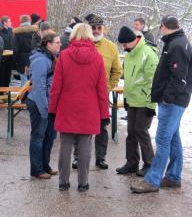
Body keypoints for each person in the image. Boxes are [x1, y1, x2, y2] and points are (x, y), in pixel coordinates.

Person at [131, 15, 192, 193]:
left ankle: (153, 179)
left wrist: (167, 98)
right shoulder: (177, 42)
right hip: (175, 100)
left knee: (162, 139)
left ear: (164, 27)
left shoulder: (177, 45)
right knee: (173, 138)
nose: (160, 29)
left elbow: (178, 77)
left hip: (172, 101)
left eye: (161, 26)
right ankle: (173, 177)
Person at [48, 23, 110, 192]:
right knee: (85, 147)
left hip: (67, 106)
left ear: (73, 35)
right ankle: (83, 183)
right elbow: (102, 90)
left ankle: (63, 182)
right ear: (90, 36)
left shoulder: (64, 56)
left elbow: (56, 87)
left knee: (65, 146)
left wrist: (52, 109)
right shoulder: (97, 58)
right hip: (89, 109)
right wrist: (105, 114)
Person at [72, 14, 122, 170]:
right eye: (93, 28)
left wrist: (108, 87)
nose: (96, 30)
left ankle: (101, 158)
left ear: (103, 29)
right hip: (81, 93)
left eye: (99, 27)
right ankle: (78, 157)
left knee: (102, 125)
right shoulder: (78, 45)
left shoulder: (111, 47)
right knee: (79, 125)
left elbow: (117, 71)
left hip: (101, 94)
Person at [115, 26, 158, 177]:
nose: (123, 47)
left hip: (145, 101)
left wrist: (151, 104)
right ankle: (132, 163)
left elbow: (153, 81)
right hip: (132, 99)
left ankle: (149, 164)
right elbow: (129, 79)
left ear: (132, 40)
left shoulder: (148, 54)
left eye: (124, 44)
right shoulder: (129, 54)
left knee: (141, 131)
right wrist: (126, 98)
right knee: (131, 133)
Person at [27, 32, 61, 179]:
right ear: (48, 44)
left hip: (49, 103)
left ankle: (45, 165)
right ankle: (37, 169)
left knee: (50, 136)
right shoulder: (41, 60)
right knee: (38, 136)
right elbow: (39, 87)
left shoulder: (49, 57)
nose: (60, 45)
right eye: (57, 42)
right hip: (39, 103)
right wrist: (44, 109)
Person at [13, 15, 38, 86]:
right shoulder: (35, 32)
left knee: (24, 82)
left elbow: (15, 49)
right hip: (34, 58)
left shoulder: (17, 34)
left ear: (20, 22)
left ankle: (24, 96)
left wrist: (15, 61)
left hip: (22, 60)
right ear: (29, 21)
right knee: (34, 81)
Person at [0, 16, 14, 87]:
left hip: (10, 56)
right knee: (2, 75)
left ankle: (6, 89)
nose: (11, 23)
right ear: (5, 23)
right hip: (2, 57)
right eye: (9, 21)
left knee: (8, 74)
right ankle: (0, 91)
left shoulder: (11, 30)